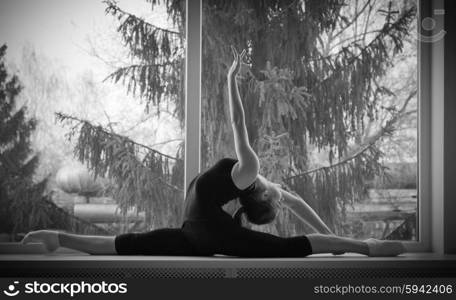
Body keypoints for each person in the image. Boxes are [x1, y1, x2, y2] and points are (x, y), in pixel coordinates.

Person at [21, 46, 406, 258]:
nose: (281, 193)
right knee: (295, 248)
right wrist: (335, 240)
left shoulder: (248, 174)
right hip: (210, 239)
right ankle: (366, 248)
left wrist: (230, 79)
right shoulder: (247, 180)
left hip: (192, 235)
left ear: (262, 195)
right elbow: (295, 200)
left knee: (123, 245)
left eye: (277, 198)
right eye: (278, 199)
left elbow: (244, 131)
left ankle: (57, 237)